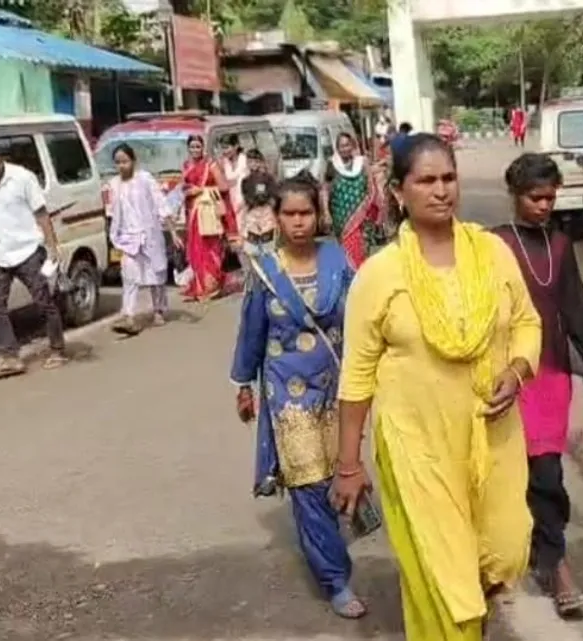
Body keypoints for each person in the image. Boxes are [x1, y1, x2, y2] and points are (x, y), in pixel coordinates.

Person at [331, 133, 542, 641]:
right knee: (448, 585)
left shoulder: (492, 253)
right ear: (399, 192)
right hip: (417, 447)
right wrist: (348, 465)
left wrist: (514, 372)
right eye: (426, 180)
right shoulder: (380, 275)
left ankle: (471, 613)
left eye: (448, 178)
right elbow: (356, 375)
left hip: (493, 439)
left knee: (508, 550)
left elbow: (528, 324)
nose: (441, 190)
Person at [230, 176, 365, 619]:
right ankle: (335, 577)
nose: (298, 222)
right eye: (289, 214)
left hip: (337, 389)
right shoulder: (266, 268)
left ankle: (334, 539)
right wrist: (243, 385)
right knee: (308, 484)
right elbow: (252, 328)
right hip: (286, 395)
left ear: (317, 213)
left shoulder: (338, 259)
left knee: (336, 473)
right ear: (277, 217)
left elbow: (364, 315)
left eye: (305, 213)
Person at [492, 153, 583, 619]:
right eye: (535, 197)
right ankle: (534, 560)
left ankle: (552, 559)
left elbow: (577, 312)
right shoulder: (493, 245)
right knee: (510, 476)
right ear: (515, 195)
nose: (544, 205)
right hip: (506, 377)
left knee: (547, 477)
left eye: (550, 197)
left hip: (552, 377)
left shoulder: (561, 246)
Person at [0, 139, 68, 378]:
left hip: (28, 250)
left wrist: (52, 246)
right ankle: (10, 356)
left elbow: (42, 214)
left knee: (43, 300)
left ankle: (57, 348)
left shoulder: (23, 178)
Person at [107, 144, 179, 335]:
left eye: (125, 161)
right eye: (118, 163)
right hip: (128, 237)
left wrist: (173, 232)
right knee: (129, 276)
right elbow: (113, 213)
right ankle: (129, 316)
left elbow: (161, 204)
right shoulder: (114, 184)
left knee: (155, 275)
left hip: (149, 234)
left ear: (133, 161)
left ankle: (159, 310)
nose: (121, 166)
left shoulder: (145, 179)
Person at [180, 134, 236, 301]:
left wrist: (201, 191)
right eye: (192, 147)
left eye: (198, 147)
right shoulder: (186, 165)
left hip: (208, 212)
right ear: (188, 148)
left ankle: (211, 286)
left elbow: (224, 187)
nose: (195, 150)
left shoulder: (210, 165)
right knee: (196, 250)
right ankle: (199, 286)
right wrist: (188, 192)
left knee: (210, 249)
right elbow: (184, 186)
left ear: (202, 148)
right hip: (193, 213)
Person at [321, 132, 383, 268]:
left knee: (362, 250)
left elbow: (371, 186)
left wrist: (376, 209)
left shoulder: (362, 162)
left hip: (363, 217)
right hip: (341, 217)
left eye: (347, 145)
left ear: (352, 146)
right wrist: (326, 213)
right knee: (346, 250)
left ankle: (362, 278)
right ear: (337, 148)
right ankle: (350, 277)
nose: (345, 149)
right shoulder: (332, 165)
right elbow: (325, 189)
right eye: (341, 146)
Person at [240, 149, 277, 241]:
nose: (253, 164)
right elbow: (245, 196)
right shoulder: (245, 180)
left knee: (267, 238)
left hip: (265, 211)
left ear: (261, 162)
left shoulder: (267, 178)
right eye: (250, 161)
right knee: (252, 239)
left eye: (256, 161)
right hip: (252, 212)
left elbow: (271, 195)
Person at [219, 134, 250, 228]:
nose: (224, 151)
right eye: (222, 148)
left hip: (246, 201)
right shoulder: (224, 163)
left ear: (236, 146)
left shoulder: (245, 160)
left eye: (227, 147)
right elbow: (223, 183)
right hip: (231, 202)